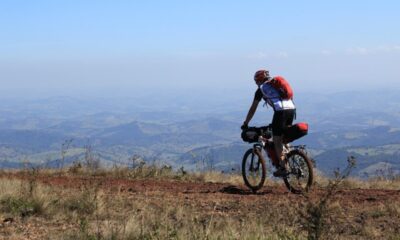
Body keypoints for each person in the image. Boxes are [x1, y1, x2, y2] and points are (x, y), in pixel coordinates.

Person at [241, 69, 296, 177]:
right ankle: (290, 156)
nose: (256, 84)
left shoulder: (261, 89)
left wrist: (246, 123)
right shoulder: (275, 85)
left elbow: (253, 108)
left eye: (256, 82)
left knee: (277, 139)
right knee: (283, 137)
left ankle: (284, 167)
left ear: (259, 80)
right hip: (292, 110)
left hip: (281, 111)